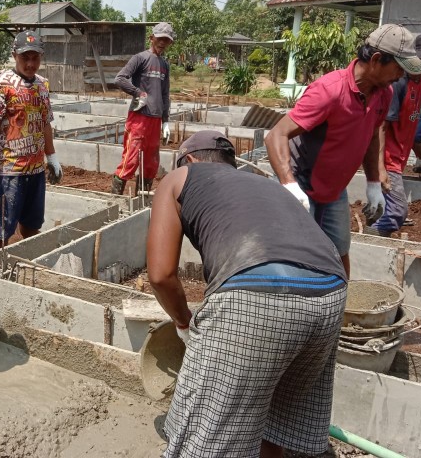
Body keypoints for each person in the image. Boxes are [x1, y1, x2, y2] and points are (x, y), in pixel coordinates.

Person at [148, 130, 348, 458]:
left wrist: (184, 323)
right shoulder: (266, 183)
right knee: (276, 421)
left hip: (255, 295)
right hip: (330, 294)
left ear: (191, 160)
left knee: (207, 439)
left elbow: (160, 275)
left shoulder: (179, 177)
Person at [264, 24, 421, 277]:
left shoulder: (383, 93)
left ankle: (339, 308)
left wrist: (373, 183)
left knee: (339, 251)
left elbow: (372, 134)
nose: (401, 76)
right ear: (376, 60)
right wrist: (289, 186)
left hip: (334, 187)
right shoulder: (329, 91)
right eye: (398, 68)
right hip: (302, 180)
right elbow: (277, 135)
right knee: (295, 254)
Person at [0, 31, 62, 267]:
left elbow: (46, 122)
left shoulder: (42, 85)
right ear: (14, 55)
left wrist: (52, 156)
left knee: (32, 224)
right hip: (9, 170)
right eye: (25, 57)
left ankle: (27, 264)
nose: (30, 64)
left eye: (35, 58)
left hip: (35, 169)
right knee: (0, 230)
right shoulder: (0, 85)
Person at [369, 33, 421, 236]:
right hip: (387, 158)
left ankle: (372, 239)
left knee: (384, 210)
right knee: (397, 212)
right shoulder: (399, 82)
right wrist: (381, 167)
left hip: (399, 157)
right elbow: (381, 127)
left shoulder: (419, 82)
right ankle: (368, 240)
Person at [112, 22, 173, 195]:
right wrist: (138, 93)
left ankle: (141, 203)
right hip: (139, 118)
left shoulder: (164, 65)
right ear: (152, 38)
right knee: (130, 160)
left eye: (166, 40)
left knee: (151, 163)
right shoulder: (140, 58)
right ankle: (114, 201)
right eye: (159, 38)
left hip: (156, 119)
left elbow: (165, 94)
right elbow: (120, 78)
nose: (162, 43)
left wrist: (166, 121)